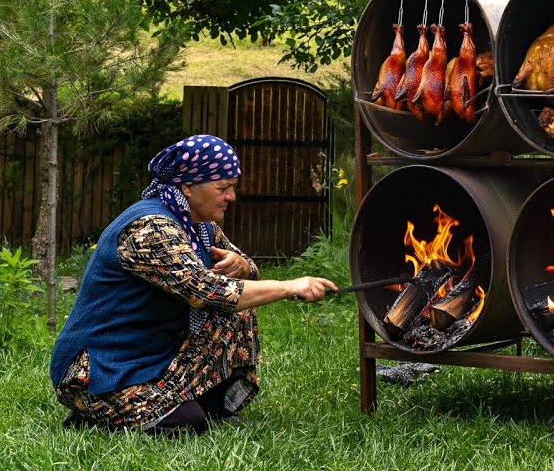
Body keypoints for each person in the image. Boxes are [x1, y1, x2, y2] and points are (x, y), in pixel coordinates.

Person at [50, 134, 338, 434]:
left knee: (236, 315)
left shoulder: (198, 225)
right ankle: (98, 408)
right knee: (184, 423)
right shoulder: (151, 228)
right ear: (187, 186)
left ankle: (209, 405)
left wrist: (242, 266)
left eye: (232, 188)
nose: (231, 197)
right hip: (98, 366)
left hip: (146, 353)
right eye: (222, 188)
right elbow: (209, 291)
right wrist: (290, 287)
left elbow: (245, 271)